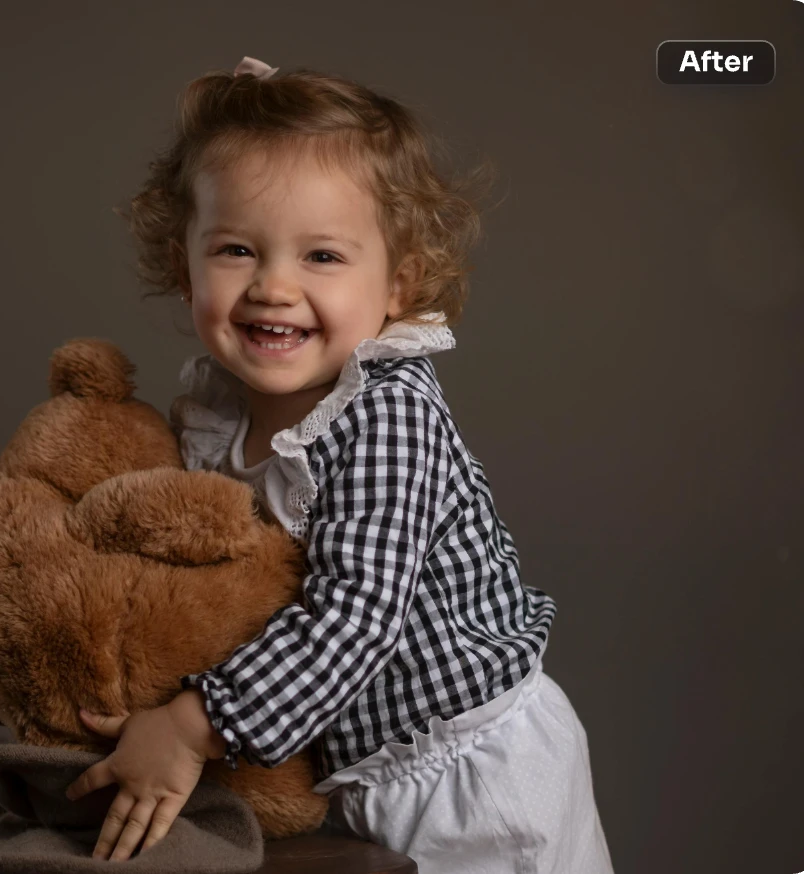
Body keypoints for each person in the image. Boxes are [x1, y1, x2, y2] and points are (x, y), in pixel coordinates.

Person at [64, 56, 613, 873]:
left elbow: (355, 613)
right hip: (345, 768)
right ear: (183, 268)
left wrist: (188, 727)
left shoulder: (388, 411)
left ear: (399, 283)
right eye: (238, 250)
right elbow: (209, 586)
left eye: (322, 257)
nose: (274, 287)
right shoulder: (218, 412)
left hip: (466, 775)